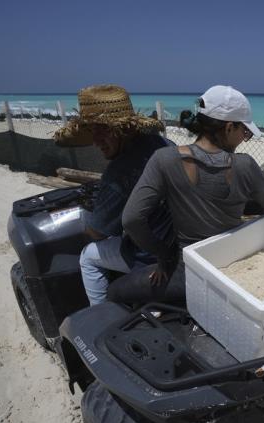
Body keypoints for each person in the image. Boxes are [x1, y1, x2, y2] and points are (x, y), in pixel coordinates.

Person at [108, 85, 264, 304]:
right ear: (228, 127)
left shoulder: (164, 160)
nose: (243, 138)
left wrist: (164, 254)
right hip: (232, 274)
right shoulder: (245, 165)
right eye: (244, 132)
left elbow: (131, 220)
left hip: (187, 275)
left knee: (114, 292)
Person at [53, 84, 174, 305]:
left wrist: (89, 220)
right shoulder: (163, 143)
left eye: (103, 130)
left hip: (151, 255)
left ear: (125, 129)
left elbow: (97, 232)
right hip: (179, 239)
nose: (96, 140)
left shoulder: (119, 173)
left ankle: (99, 314)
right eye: (92, 131)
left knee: (88, 256)